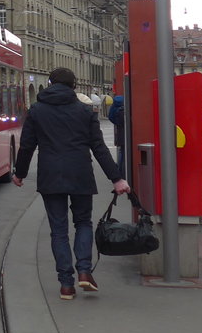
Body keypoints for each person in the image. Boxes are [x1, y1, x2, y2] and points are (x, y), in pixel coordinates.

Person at [13, 67, 130, 300]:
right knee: (83, 222)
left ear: (49, 84)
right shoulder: (85, 111)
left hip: (50, 175)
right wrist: (116, 178)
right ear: (74, 86)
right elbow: (99, 147)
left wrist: (20, 173)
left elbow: (27, 146)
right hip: (80, 173)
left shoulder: (37, 110)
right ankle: (84, 271)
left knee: (58, 231)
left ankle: (66, 284)